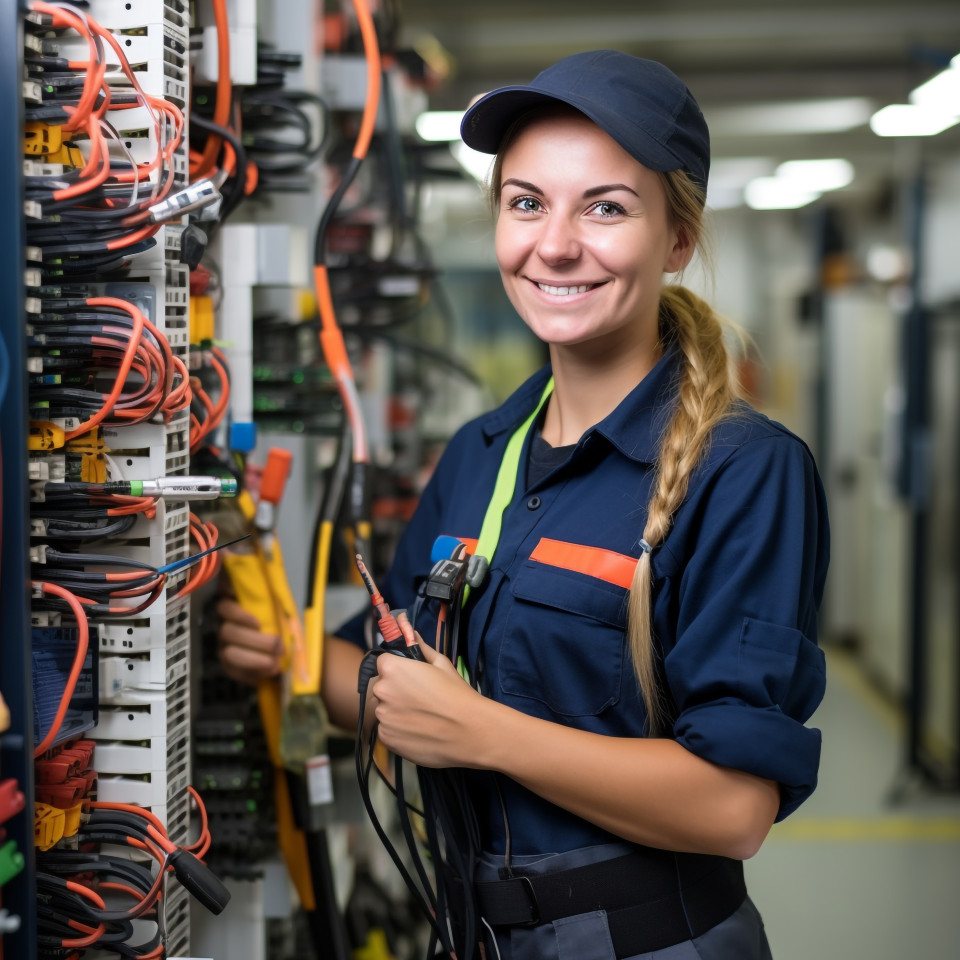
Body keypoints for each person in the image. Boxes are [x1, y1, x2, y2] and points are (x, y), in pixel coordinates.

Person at [218, 49, 829, 960]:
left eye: (607, 207)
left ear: (677, 239)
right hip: (473, 934)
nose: (556, 244)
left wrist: (486, 735)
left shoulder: (743, 471)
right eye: (528, 201)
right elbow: (397, 684)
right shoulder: (482, 455)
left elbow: (733, 808)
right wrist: (296, 662)